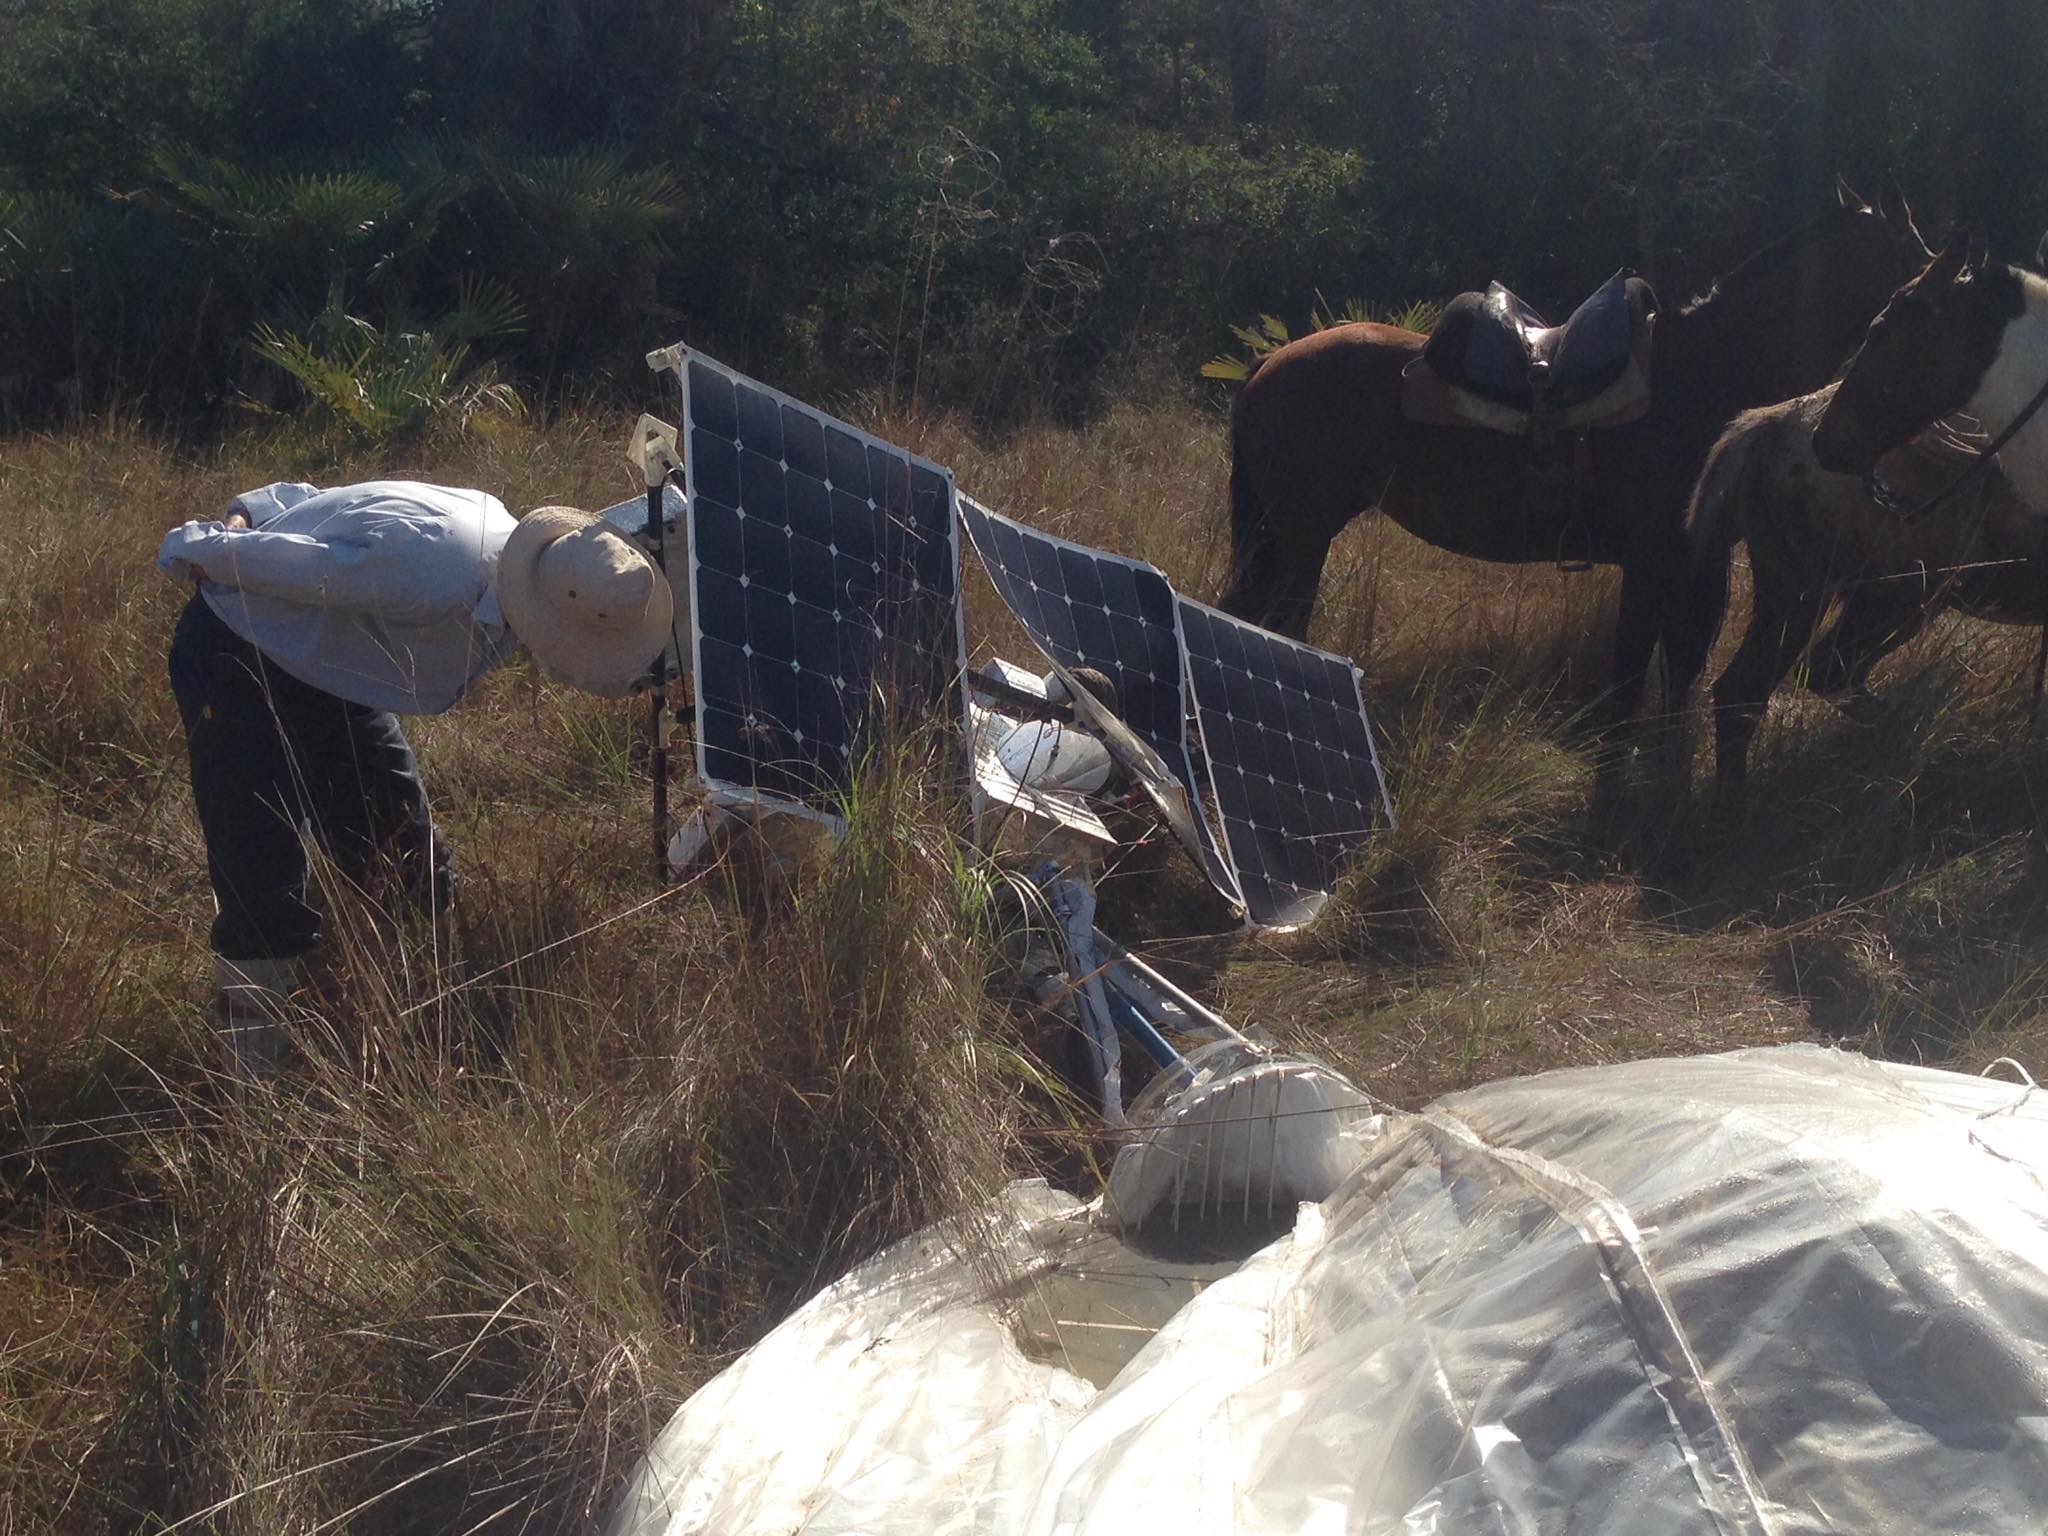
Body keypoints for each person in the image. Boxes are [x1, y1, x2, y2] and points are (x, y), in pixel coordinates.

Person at [158, 481, 673, 1075]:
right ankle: (254, 1077)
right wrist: (212, 544)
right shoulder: (434, 573)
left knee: (409, 863)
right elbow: (302, 562)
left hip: (337, 671)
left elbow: (341, 509)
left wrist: (257, 507)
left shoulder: (526, 565)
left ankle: (408, 1015)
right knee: (261, 876)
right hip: (239, 651)